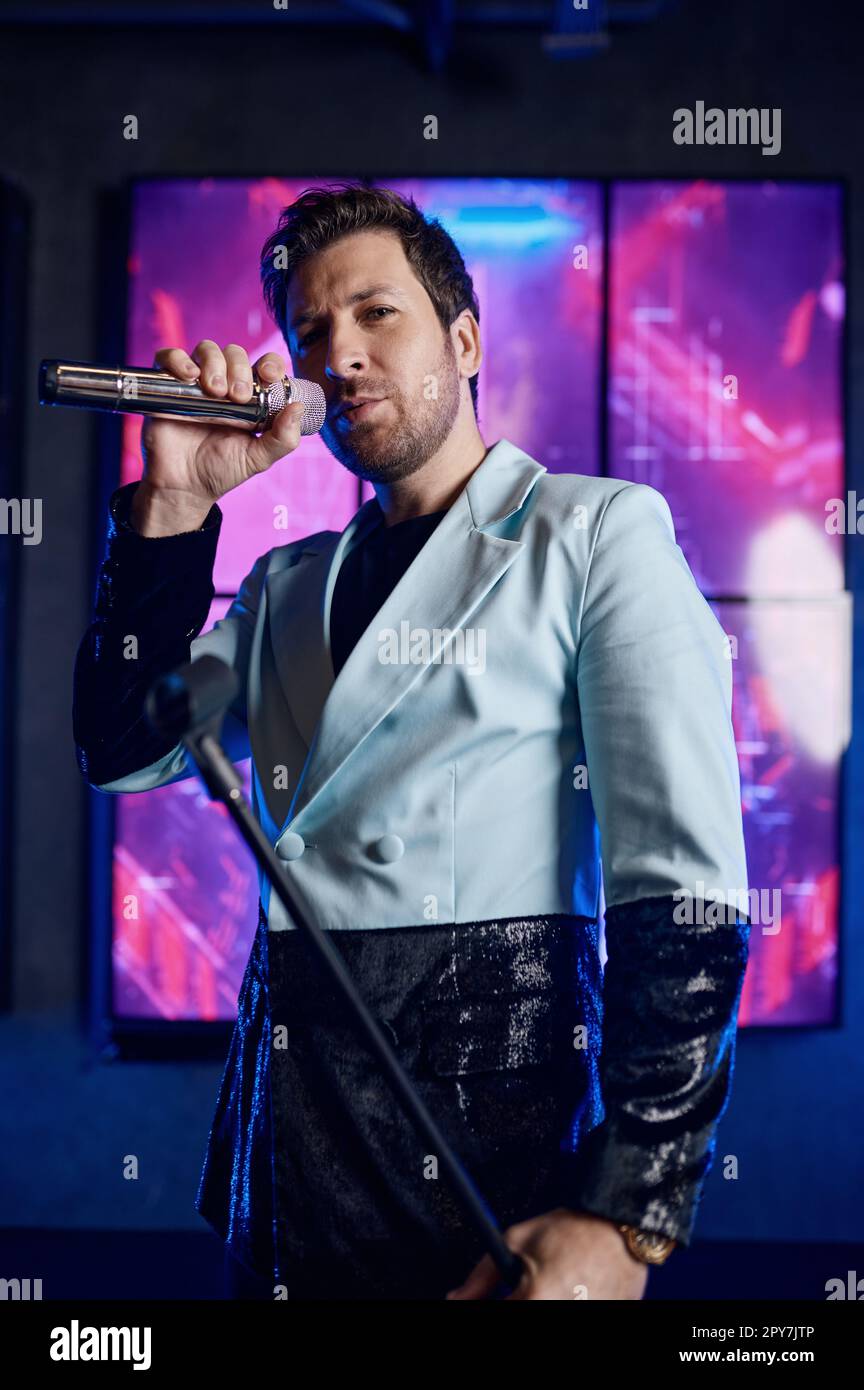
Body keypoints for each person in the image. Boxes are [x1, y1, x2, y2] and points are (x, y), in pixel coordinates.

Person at [73, 182, 750, 1301]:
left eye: (377, 313)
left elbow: (681, 891)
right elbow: (120, 746)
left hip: (492, 1150)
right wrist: (177, 504)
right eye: (311, 332)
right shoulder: (286, 586)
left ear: (465, 338)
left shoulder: (593, 533)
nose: (340, 353)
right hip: (286, 1161)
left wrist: (628, 1211)